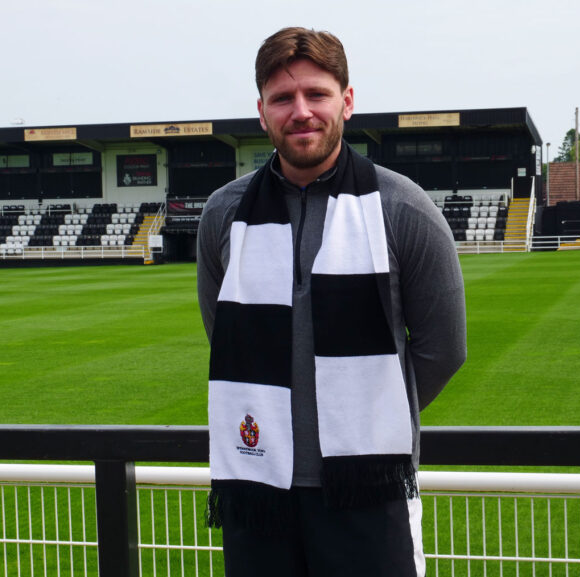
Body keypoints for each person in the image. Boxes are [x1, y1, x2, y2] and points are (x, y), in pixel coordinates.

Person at [196, 27, 466, 576]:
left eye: (316, 94)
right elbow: (220, 331)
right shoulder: (224, 214)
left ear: (346, 100)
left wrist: (368, 413)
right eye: (282, 98)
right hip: (259, 487)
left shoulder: (402, 208)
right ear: (262, 111)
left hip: (367, 491)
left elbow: (443, 348)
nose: (301, 112)